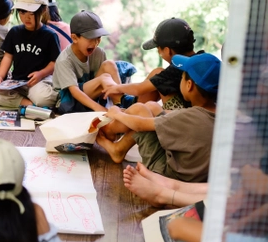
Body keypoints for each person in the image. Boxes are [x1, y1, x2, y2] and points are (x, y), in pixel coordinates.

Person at [97, 53, 221, 182]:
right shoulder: (217, 115)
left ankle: (109, 131)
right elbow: (175, 116)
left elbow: (140, 125)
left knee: (140, 110)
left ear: (189, 85)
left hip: (165, 174)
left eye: (182, 77)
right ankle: (118, 148)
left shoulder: (188, 117)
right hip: (191, 172)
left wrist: (117, 113)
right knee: (153, 106)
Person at [103, 17, 204, 110]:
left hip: (184, 116)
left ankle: (130, 108)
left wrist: (116, 87)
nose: (159, 53)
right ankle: (130, 103)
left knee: (159, 76)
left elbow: (139, 89)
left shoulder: (177, 68)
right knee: (158, 76)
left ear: (168, 50)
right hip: (206, 113)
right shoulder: (204, 59)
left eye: (158, 50)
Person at [0, 0, 61, 108]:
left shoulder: (50, 35)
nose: (26, 17)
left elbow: (55, 62)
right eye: (22, 12)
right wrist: (0, 76)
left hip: (39, 81)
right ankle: (29, 104)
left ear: (43, 10)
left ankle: (32, 101)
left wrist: (41, 74)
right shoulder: (14, 32)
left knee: (44, 98)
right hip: (18, 83)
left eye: (32, 13)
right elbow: (8, 56)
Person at [52, 10, 136, 114]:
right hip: (68, 102)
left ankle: (120, 104)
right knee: (104, 78)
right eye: (91, 38)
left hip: (91, 98)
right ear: (74, 38)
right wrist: (101, 110)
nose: (96, 42)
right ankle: (122, 105)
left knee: (109, 64)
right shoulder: (64, 60)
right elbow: (75, 92)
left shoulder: (99, 53)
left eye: (98, 38)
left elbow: (101, 85)